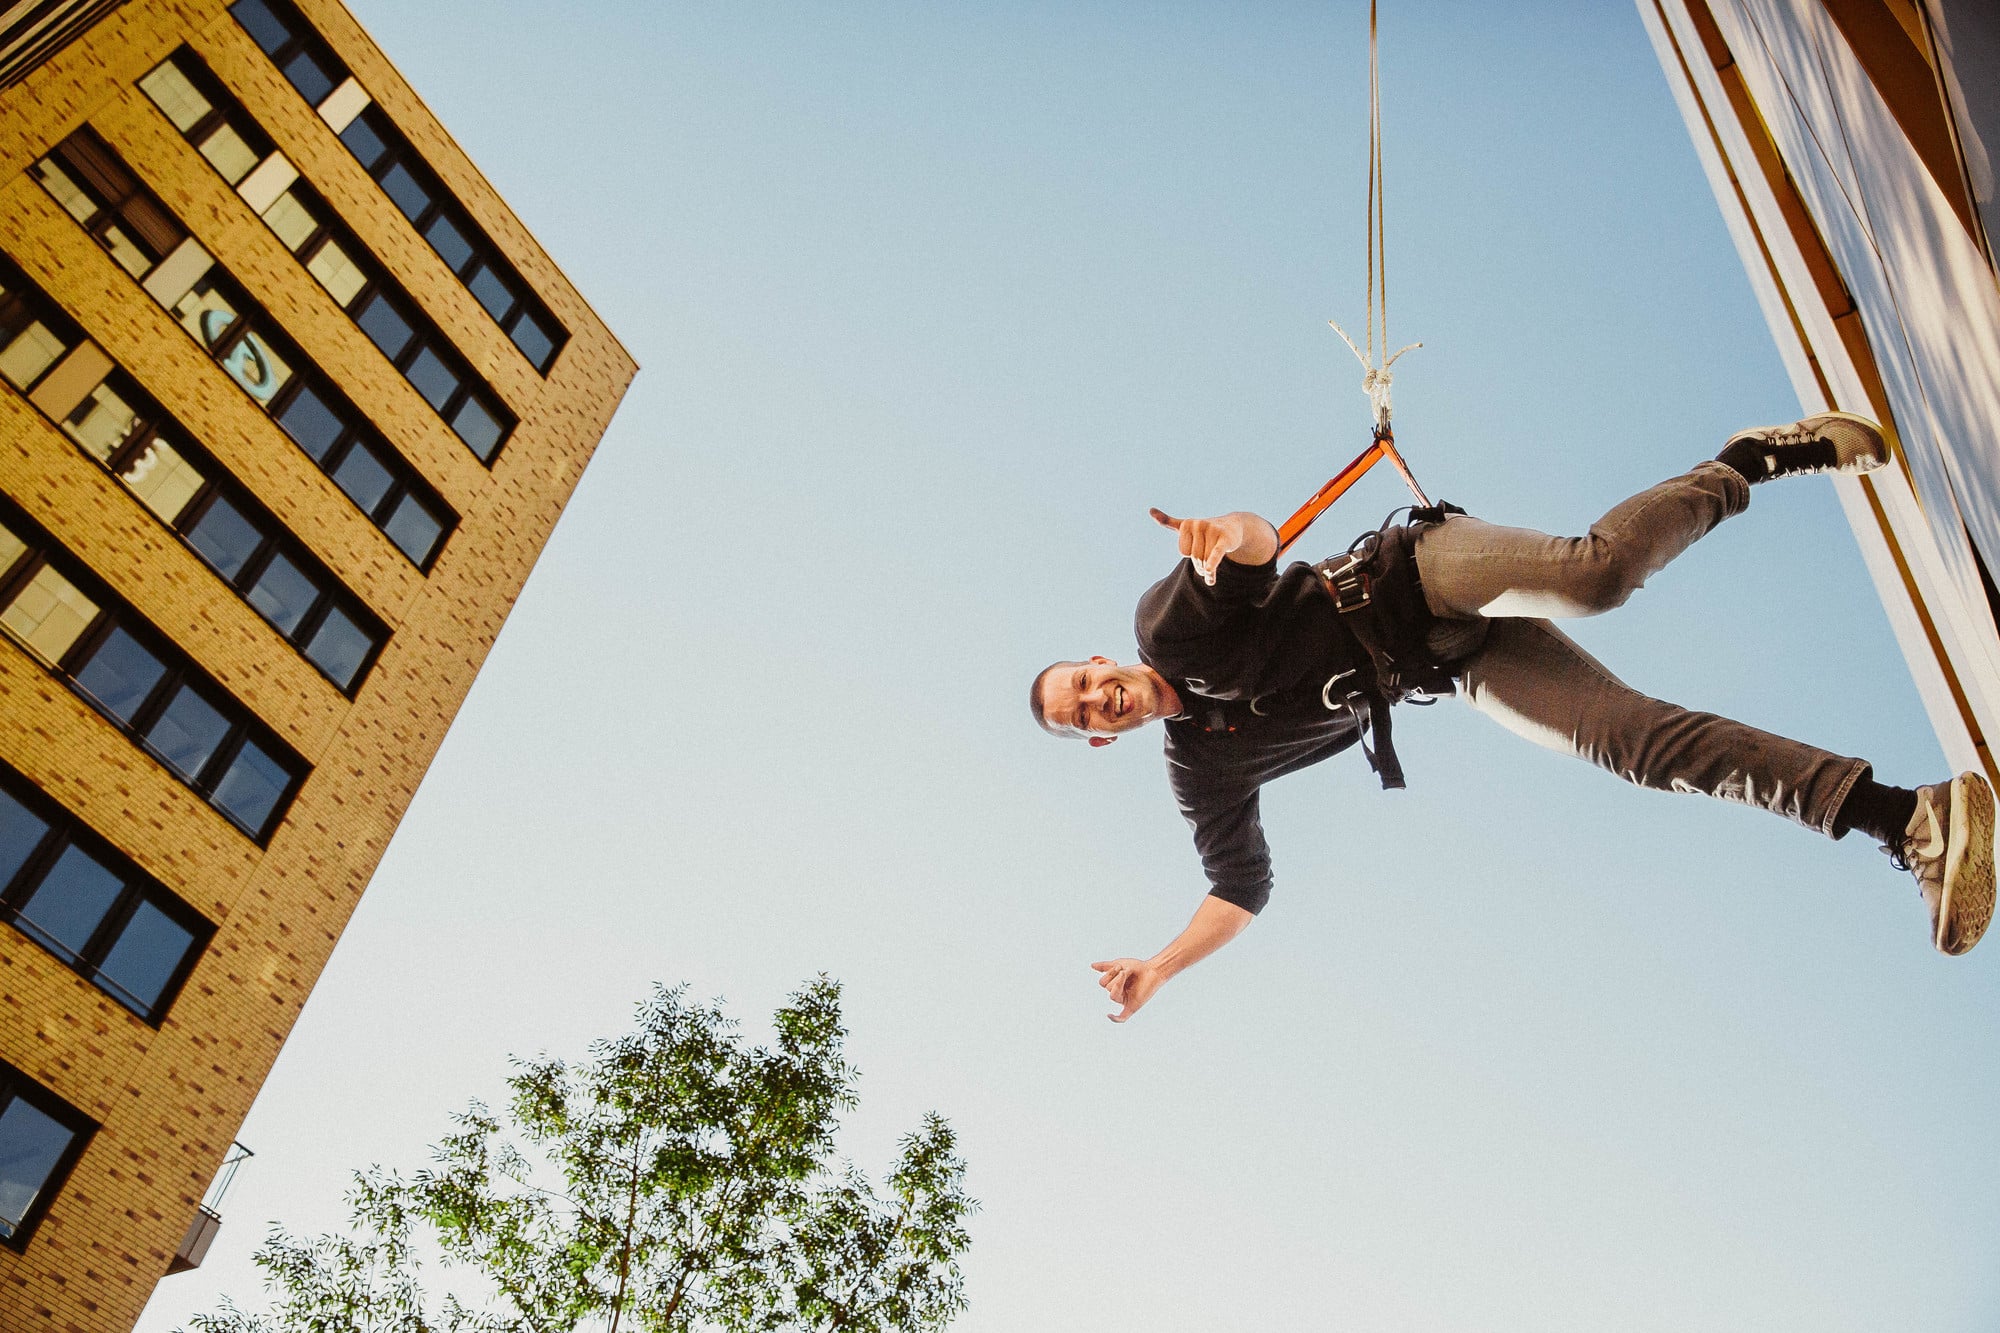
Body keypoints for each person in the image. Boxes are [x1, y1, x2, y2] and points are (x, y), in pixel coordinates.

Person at [1030, 414, 1996, 1022]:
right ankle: (1907, 818)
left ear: (1102, 662)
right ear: (1102, 738)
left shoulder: (1167, 626)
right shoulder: (1202, 770)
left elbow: (1256, 543)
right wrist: (1161, 965)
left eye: (1084, 683)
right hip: (1451, 662)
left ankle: (1746, 461)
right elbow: (1239, 889)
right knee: (1635, 745)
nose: (1095, 700)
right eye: (1082, 718)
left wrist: (1222, 529)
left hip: (1410, 572)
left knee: (1597, 574)